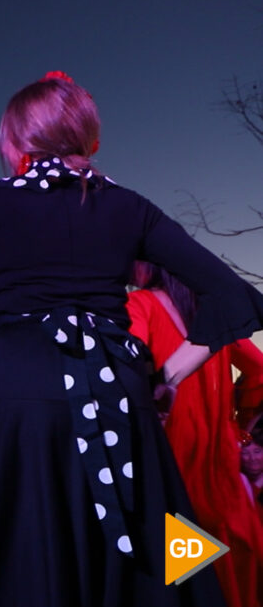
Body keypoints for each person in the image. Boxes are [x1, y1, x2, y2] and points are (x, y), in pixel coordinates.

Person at [0, 71, 263, 606]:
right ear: (88, 138)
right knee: (155, 549)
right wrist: (165, 375)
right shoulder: (128, 206)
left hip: (16, 388)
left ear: (17, 140)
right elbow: (231, 294)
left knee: (13, 546)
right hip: (116, 392)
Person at [127, 260, 263, 607]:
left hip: (172, 461)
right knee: (233, 570)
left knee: (185, 577)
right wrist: (238, 427)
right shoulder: (210, 315)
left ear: (147, 265)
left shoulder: (142, 304)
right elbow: (260, 370)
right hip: (221, 468)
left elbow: (129, 366)